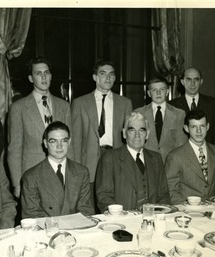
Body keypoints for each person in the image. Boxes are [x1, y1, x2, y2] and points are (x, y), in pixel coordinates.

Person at [71, 59, 132, 210]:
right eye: (103, 74)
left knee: (115, 205)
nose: (108, 78)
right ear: (95, 77)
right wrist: (76, 168)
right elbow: (75, 140)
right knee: (89, 206)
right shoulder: (80, 103)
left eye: (111, 74)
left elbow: (130, 138)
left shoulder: (125, 103)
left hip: (116, 159)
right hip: (88, 161)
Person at [7, 56, 72, 198]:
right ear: (31, 78)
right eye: (38, 73)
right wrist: (17, 184)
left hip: (60, 172)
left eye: (46, 73)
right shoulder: (18, 108)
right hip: (31, 173)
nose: (43, 77)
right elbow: (14, 148)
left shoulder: (64, 106)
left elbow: (69, 145)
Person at [95, 111, 170, 213]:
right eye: (132, 130)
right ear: (124, 133)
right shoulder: (110, 158)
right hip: (122, 220)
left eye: (142, 131)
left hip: (152, 219)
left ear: (147, 134)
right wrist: (121, 215)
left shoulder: (156, 158)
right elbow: (104, 197)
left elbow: (163, 196)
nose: (137, 135)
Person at [21, 121, 94, 218]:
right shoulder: (31, 176)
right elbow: (32, 215)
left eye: (64, 140)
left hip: (77, 228)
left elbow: (85, 210)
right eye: (53, 141)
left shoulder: (82, 172)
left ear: (69, 142)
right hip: (47, 230)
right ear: (46, 144)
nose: (59, 146)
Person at [165, 110, 215, 205]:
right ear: (186, 128)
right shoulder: (175, 156)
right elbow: (170, 192)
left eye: (202, 126)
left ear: (207, 126)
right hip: (187, 211)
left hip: (213, 209)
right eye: (194, 127)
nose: (199, 131)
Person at [169, 67, 215, 149]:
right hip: (181, 156)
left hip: (207, 155)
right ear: (182, 82)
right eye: (188, 79)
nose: (192, 83)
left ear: (201, 82)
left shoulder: (213, 104)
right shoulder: (171, 106)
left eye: (196, 79)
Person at [136, 76, 187, 162]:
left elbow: (181, 145)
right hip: (146, 163)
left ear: (167, 91)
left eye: (162, 89)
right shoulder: (139, 113)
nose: (158, 93)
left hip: (171, 163)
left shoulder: (179, 114)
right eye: (154, 90)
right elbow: (135, 142)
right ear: (149, 93)